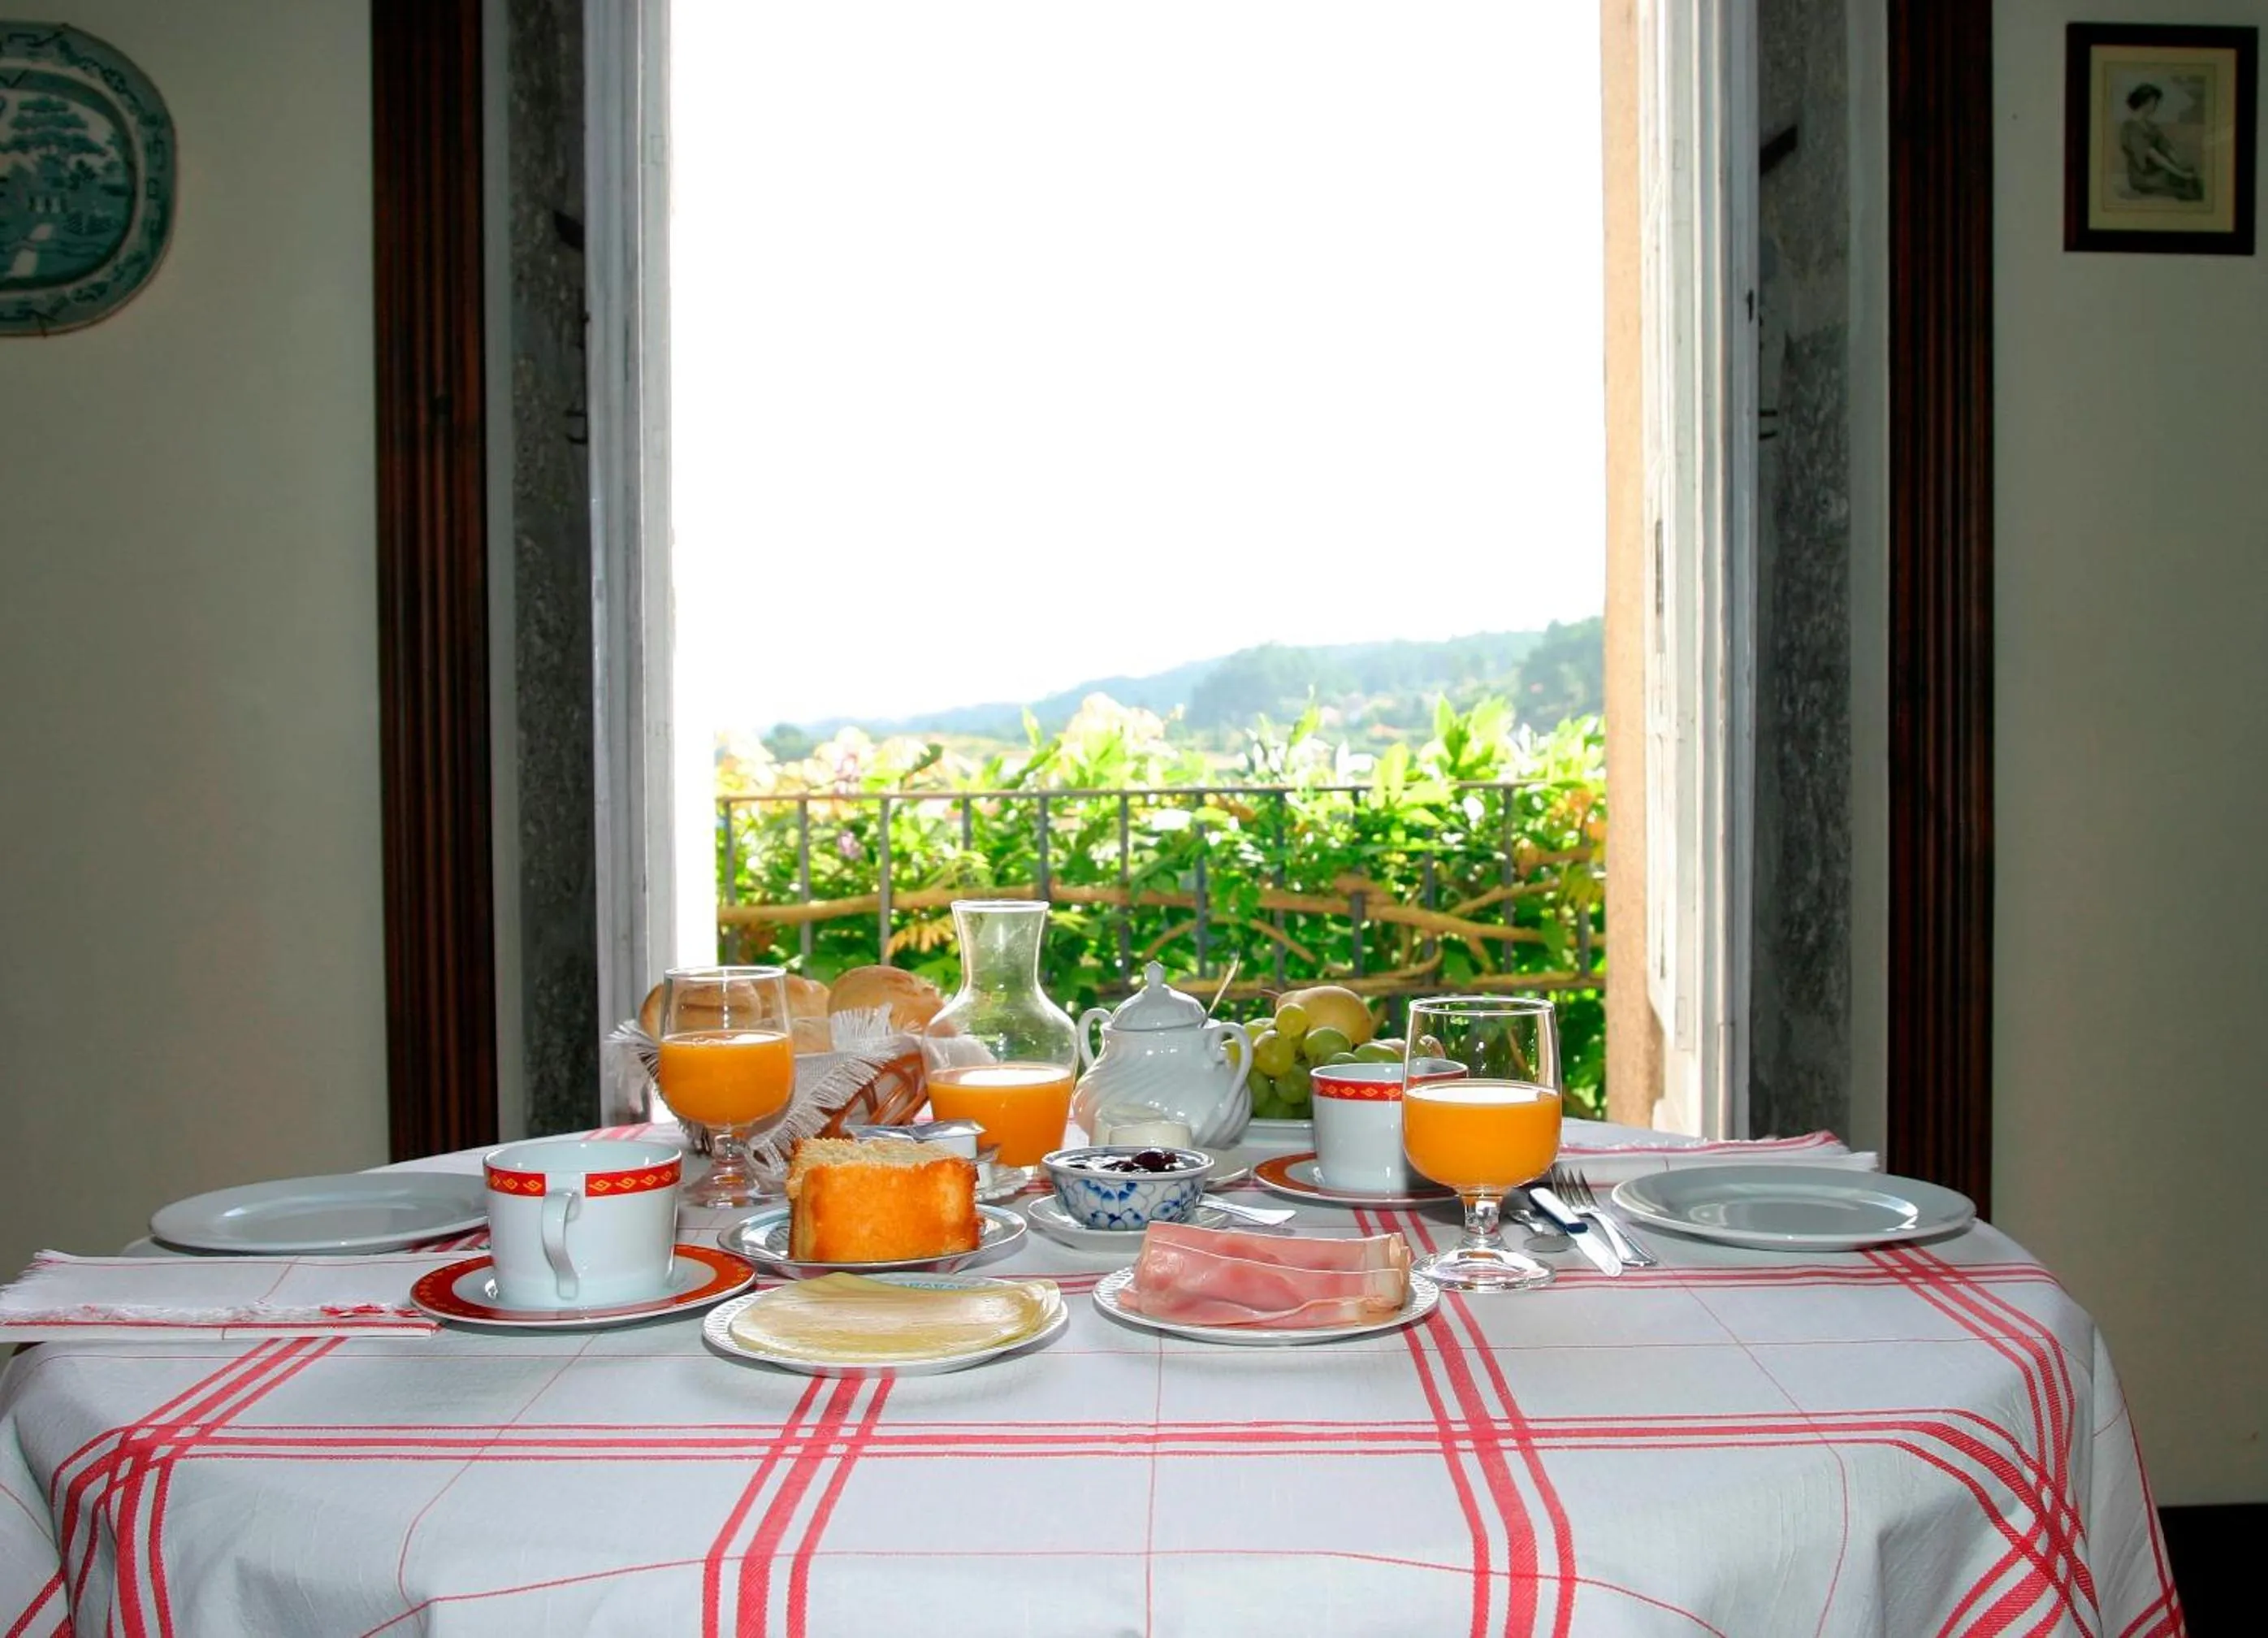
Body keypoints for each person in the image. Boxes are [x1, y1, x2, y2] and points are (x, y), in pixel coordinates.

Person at [2119, 82, 2205, 202]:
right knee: (2186, 184)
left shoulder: (2151, 126)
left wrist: (2180, 164)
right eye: (2154, 102)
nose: (2156, 106)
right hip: (2143, 177)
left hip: (2158, 171)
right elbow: (2155, 157)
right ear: (2145, 102)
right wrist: (2180, 173)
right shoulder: (2130, 128)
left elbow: (2167, 148)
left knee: (2190, 172)